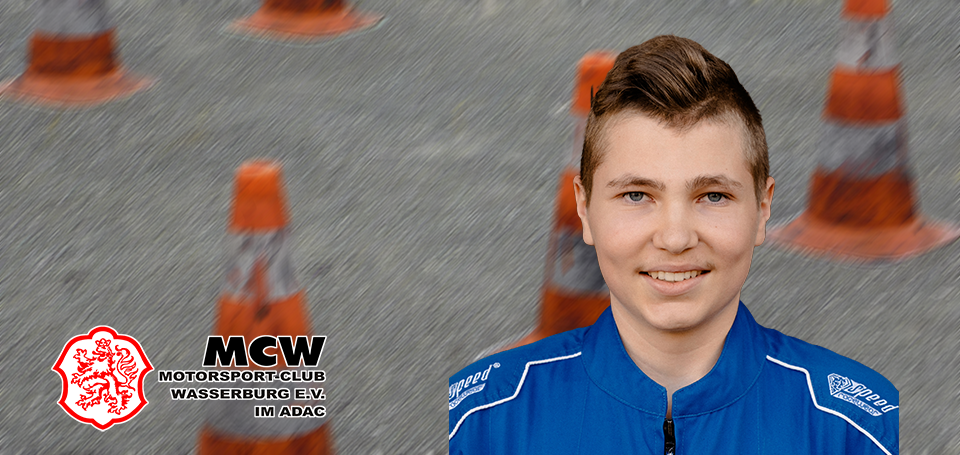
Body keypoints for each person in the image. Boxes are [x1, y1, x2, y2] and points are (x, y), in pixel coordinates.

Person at [448, 35, 899, 454]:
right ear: (584, 209)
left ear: (763, 208)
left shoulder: (855, 429)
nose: (676, 238)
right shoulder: (483, 419)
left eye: (713, 196)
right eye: (636, 195)